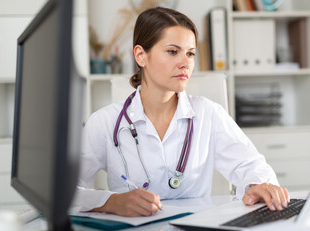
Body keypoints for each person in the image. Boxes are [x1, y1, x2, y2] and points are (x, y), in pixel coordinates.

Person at [75, 7, 290, 217]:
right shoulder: (105, 122)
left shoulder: (208, 113)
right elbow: (67, 192)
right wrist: (112, 202)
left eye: (190, 53)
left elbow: (252, 166)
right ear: (141, 56)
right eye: (172, 51)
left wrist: (258, 186)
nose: (185, 63)